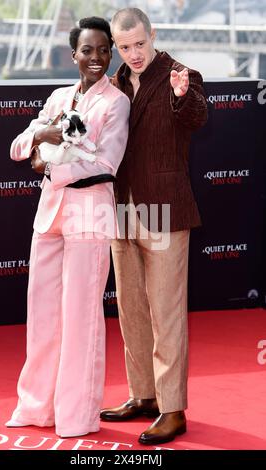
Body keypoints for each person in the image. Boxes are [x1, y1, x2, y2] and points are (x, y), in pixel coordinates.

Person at [5, 17, 130, 438]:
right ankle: (37, 406)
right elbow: (18, 147)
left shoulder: (116, 102)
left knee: (81, 320)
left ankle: (77, 416)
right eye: (88, 50)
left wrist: (47, 163)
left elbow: (105, 163)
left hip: (89, 215)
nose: (96, 58)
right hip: (51, 215)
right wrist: (48, 132)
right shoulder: (59, 95)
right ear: (74, 54)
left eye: (103, 50)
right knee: (42, 317)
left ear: (110, 52)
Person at [100, 8, 208, 445]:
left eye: (139, 44)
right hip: (122, 207)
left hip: (163, 208)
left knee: (165, 313)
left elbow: (196, 118)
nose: (133, 53)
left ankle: (172, 408)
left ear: (153, 35)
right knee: (131, 312)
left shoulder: (181, 73)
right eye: (124, 47)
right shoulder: (115, 82)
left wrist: (183, 96)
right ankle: (143, 395)